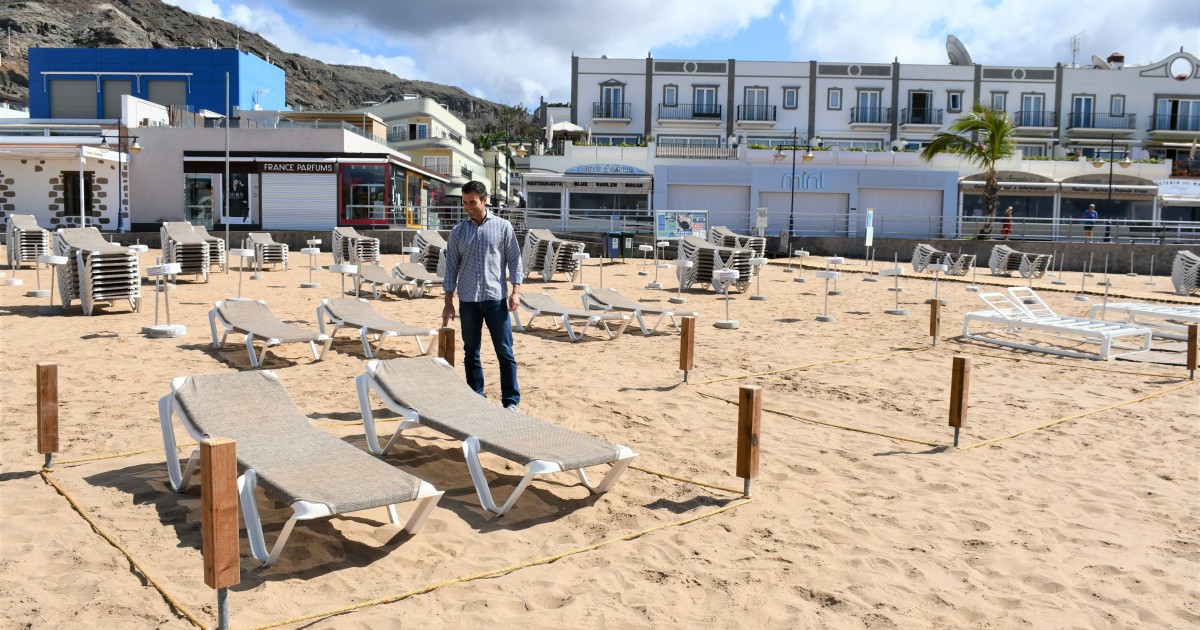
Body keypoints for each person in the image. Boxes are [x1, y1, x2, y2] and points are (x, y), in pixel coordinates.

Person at [441, 180, 523, 411]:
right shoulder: (457, 232)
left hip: (495, 299)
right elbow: (450, 269)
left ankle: (511, 402)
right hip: (468, 301)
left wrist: (516, 292)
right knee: (471, 352)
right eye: (465, 203)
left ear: (485, 200)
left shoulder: (503, 227)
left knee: (505, 352)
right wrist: (448, 303)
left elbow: (515, 261)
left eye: (473, 202)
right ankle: (477, 398)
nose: (468, 207)